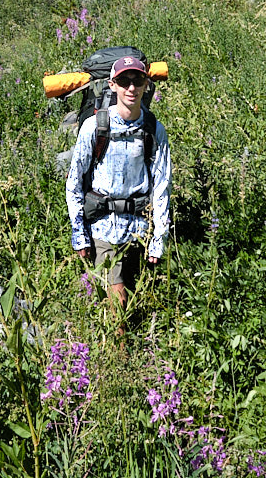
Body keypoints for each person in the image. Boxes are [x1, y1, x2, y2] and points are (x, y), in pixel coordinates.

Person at [66, 54, 172, 328]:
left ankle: (133, 351)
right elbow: (74, 181)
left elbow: (161, 186)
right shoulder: (95, 127)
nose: (131, 88)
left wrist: (158, 238)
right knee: (118, 300)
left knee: (140, 299)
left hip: (139, 229)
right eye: (124, 81)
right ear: (112, 85)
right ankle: (119, 356)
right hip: (102, 227)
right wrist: (80, 236)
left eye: (137, 81)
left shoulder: (153, 129)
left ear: (146, 84)